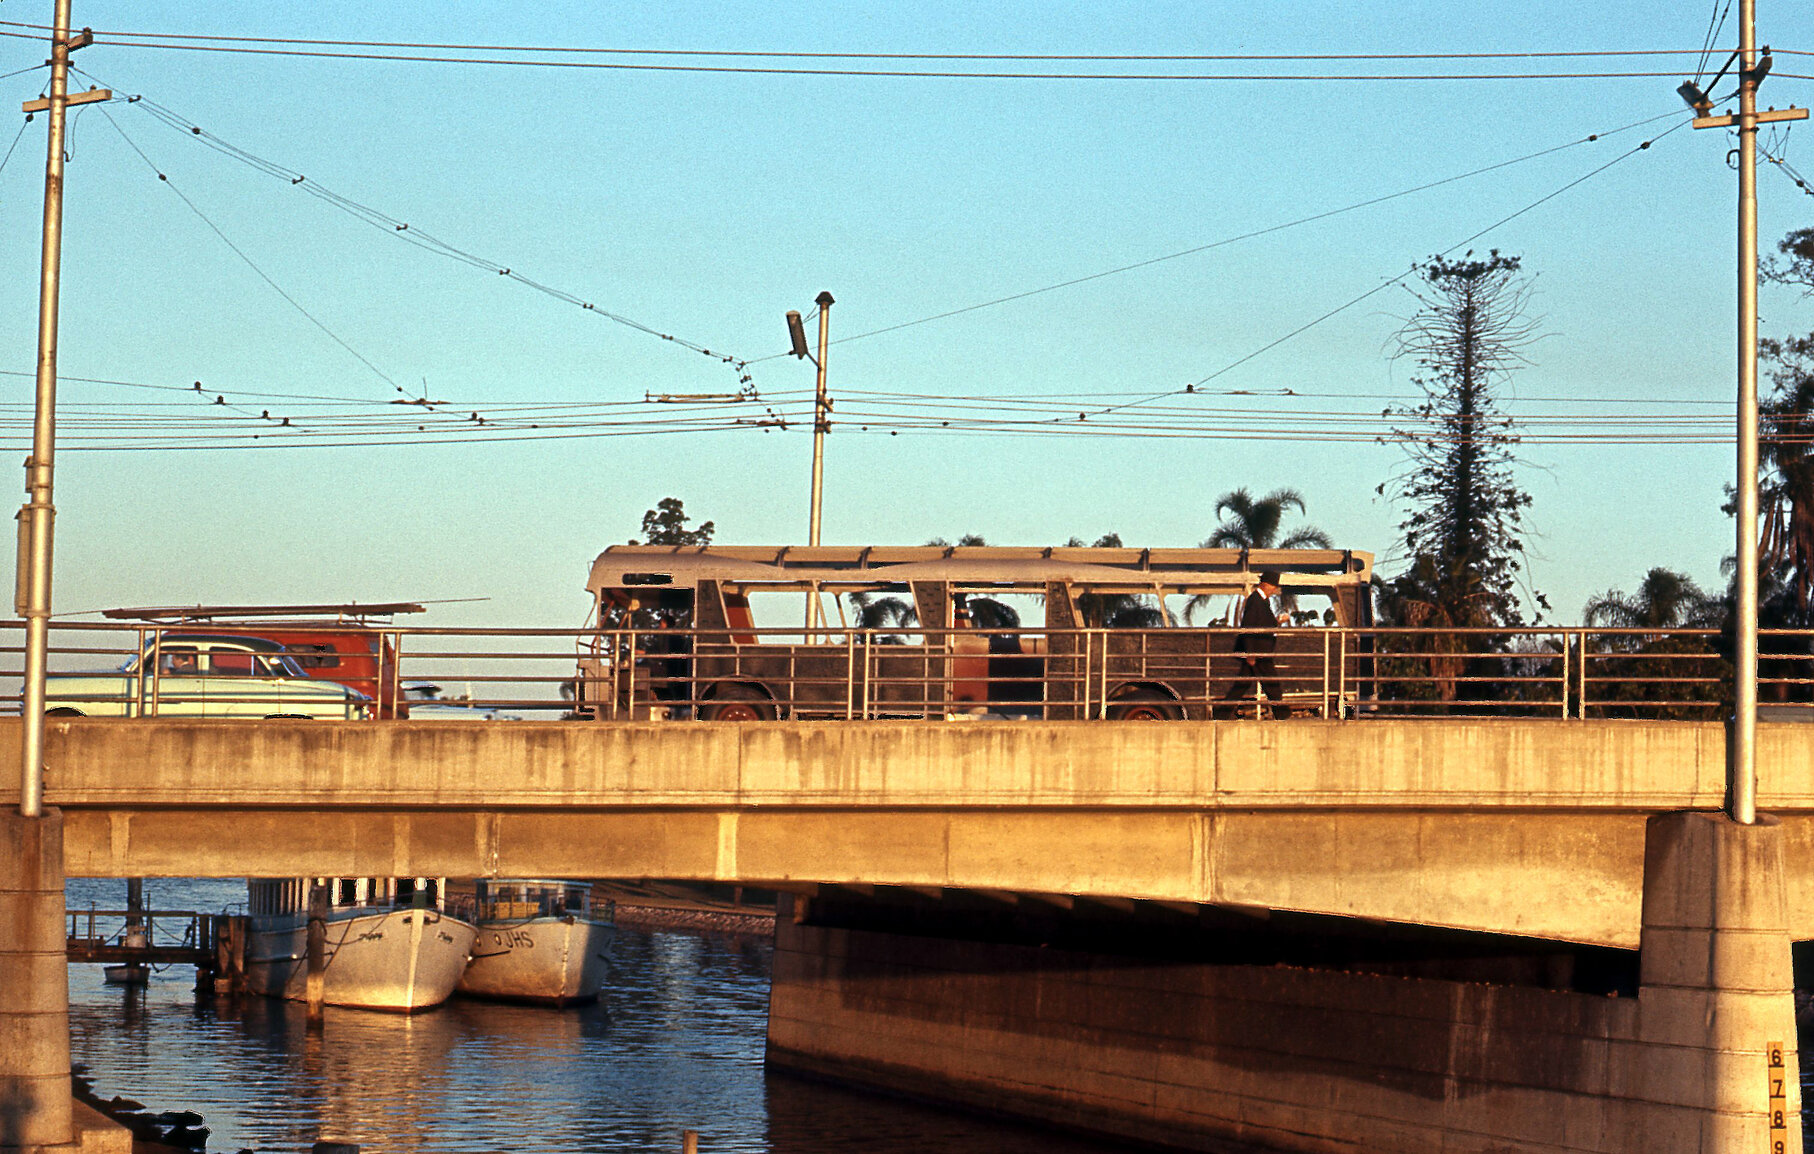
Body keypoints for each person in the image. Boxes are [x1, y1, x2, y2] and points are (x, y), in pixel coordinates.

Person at [1224, 570, 1289, 719]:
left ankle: (1221, 712)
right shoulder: (1255, 601)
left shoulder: (1261, 600)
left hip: (1259, 651)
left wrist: (1277, 621)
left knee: (1242, 685)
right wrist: (1250, 653)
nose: (1274, 590)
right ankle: (1282, 714)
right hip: (1258, 651)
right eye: (1274, 586)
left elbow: (1262, 623)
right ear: (1266, 585)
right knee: (1271, 684)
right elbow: (1248, 626)